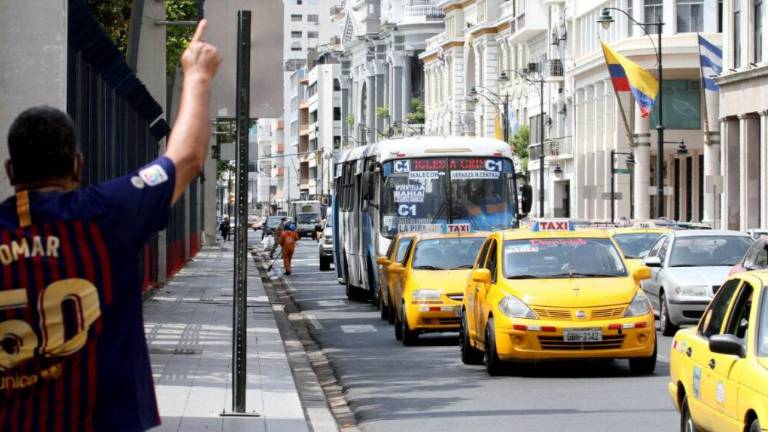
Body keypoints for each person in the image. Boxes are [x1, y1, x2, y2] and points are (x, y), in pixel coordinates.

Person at [0, 20, 220, 431]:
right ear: (77, 165)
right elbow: (185, 158)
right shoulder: (106, 214)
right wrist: (197, 73)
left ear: (10, 170)